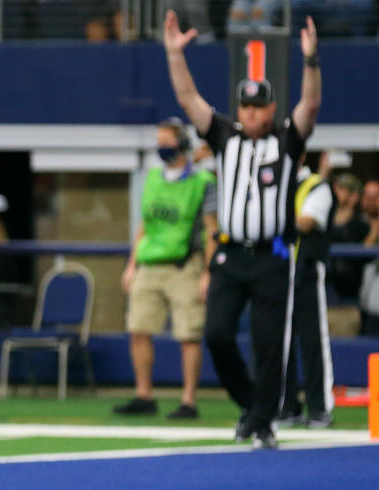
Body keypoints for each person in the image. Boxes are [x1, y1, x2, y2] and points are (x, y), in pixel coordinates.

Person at [163, 10, 321, 448]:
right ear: (239, 109)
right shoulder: (225, 137)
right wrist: (175, 54)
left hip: (271, 255)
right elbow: (188, 98)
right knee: (216, 333)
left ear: (271, 108)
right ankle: (251, 405)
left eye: (259, 106)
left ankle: (262, 420)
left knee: (270, 344)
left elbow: (310, 107)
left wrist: (310, 62)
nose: (252, 113)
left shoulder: (286, 142)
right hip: (230, 255)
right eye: (246, 106)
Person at [115, 118, 217, 419]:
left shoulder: (202, 183)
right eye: (159, 141)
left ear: (183, 143)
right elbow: (144, 224)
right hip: (150, 263)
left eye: (167, 141)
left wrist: (208, 272)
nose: (162, 147)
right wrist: (132, 265)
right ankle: (144, 395)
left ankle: (188, 400)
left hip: (184, 264)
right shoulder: (154, 178)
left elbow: (212, 230)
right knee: (138, 328)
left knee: (188, 333)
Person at [277, 159, 335, 429]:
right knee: (279, 342)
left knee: (312, 341)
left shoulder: (316, 186)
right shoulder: (274, 182)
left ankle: (320, 407)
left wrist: (272, 217)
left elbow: (307, 222)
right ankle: (286, 406)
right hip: (277, 272)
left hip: (307, 271)